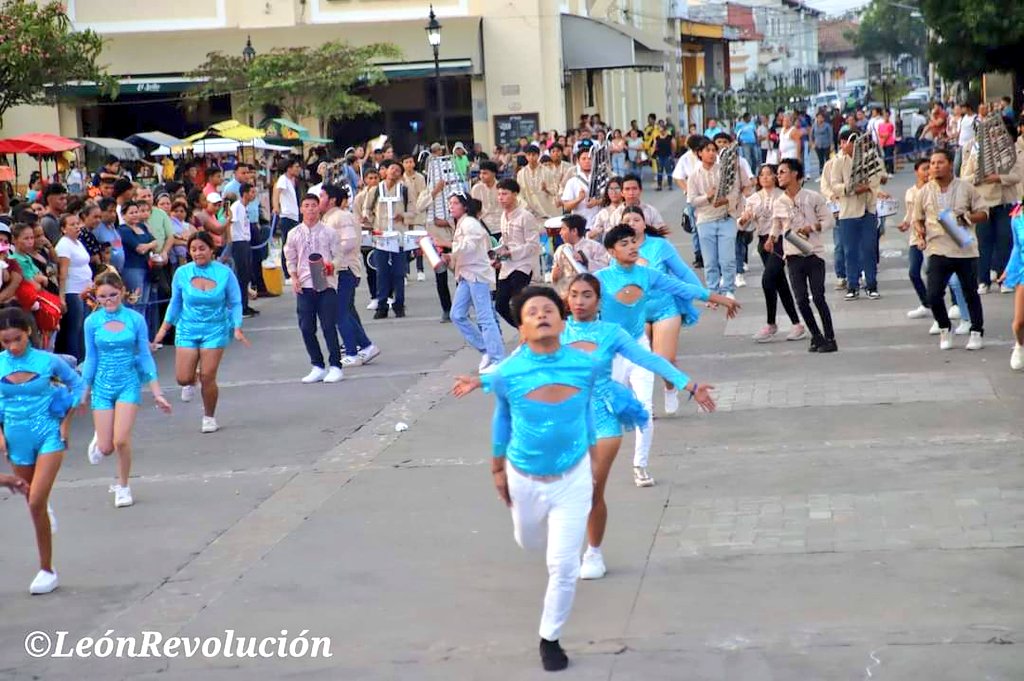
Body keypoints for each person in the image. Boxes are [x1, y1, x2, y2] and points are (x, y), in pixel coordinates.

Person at [454, 286, 597, 672]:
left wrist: (593, 459)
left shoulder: (585, 365)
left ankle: (549, 638)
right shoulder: (508, 373)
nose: (541, 315)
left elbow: (587, 415)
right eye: (532, 312)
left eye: (548, 309)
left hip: (574, 476)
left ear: (562, 321)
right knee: (528, 540)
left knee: (563, 566)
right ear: (521, 329)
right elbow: (502, 417)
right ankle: (530, 526)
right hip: (524, 476)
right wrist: (497, 468)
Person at [595, 224, 738, 486]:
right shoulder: (600, 279)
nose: (632, 247)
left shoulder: (647, 275)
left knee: (645, 412)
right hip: (609, 354)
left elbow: (683, 287)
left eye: (633, 242)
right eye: (624, 244)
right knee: (604, 413)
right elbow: (573, 306)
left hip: (637, 347)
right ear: (611, 251)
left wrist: (719, 298)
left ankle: (640, 465)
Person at [0, 306, 85, 594]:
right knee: (31, 498)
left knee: (35, 500)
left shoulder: (48, 361)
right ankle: (42, 509)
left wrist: (65, 421)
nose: (12, 347)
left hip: (48, 432)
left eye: (17, 339)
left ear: (28, 334)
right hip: (15, 436)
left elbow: (78, 383)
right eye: (5, 341)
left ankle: (47, 569)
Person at [82, 271, 172, 507]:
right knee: (106, 447)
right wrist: (83, 392)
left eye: (113, 294)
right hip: (101, 385)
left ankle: (123, 485)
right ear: (96, 298)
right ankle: (101, 439)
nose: (108, 300)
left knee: (121, 440)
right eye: (102, 296)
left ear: (122, 292)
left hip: (128, 383)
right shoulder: (91, 322)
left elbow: (144, 356)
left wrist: (157, 392)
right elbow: (90, 358)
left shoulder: (135, 319)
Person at [151, 232, 250, 432]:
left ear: (211, 249)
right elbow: (175, 303)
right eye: (193, 249)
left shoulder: (224, 273)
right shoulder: (182, 273)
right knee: (182, 378)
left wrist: (237, 327)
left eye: (202, 248)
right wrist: (162, 331)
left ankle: (209, 417)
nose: (197, 253)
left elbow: (235, 302)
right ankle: (191, 378)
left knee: (208, 376)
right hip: (187, 328)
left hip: (216, 328)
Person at [912, 149, 989, 351]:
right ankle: (945, 328)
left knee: (970, 292)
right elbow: (917, 219)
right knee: (933, 294)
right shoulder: (924, 191)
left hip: (964, 248)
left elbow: (984, 212)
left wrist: (968, 218)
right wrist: (920, 233)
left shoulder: (966, 188)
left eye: (939, 162)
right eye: (932, 163)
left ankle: (976, 331)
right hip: (937, 248)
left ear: (949, 164)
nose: (935, 167)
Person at [767, 158, 838, 353]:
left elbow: (829, 220)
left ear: (795, 174)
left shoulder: (813, 197)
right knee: (800, 300)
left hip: (814, 253)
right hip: (792, 255)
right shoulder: (779, 202)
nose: (778, 176)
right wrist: (772, 238)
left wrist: (814, 227)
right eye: (778, 173)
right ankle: (816, 336)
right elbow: (777, 224)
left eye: (782, 172)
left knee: (818, 296)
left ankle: (830, 338)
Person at [434, 193, 506, 372]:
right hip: (466, 273)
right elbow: (463, 249)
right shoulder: (462, 223)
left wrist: (449, 246)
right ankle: (486, 349)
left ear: (465, 206)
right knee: (457, 314)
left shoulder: (470, 223)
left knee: (485, 317)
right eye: (450, 203)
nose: (451, 206)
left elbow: (469, 246)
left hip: (476, 273)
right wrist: (450, 255)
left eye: (455, 203)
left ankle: (497, 358)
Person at [740, 164, 805, 342]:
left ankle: (771, 323)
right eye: (762, 175)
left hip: (780, 241)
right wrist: (744, 218)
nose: (766, 177)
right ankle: (796, 324)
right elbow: (744, 223)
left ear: (775, 177)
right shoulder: (753, 198)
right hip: (763, 243)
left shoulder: (782, 196)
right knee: (780, 283)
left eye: (770, 174)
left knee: (768, 279)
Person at [285, 194, 346, 383]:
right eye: (306, 205)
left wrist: (332, 266)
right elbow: (290, 258)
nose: (310, 209)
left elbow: (338, 255)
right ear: (301, 209)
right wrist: (293, 277)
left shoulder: (329, 232)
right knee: (306, 327)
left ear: (319, 208)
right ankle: (317, 365)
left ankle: (335, 365)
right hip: (304, 284)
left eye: (313, 205)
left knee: (328, 325)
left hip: (326, 284)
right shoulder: (294, 233)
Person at [320, 184, 380, 368]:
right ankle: (365, 346)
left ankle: (353, 352)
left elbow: (349, 242)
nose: (319, 199)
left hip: (344, 269)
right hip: (339, 270)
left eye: (322, 196)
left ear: (332, 200)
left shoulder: (341, 217)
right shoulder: (330, 218)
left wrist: (329, 255)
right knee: (346, 311)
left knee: (340, 312)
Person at [828, 130, 882, 300]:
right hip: (847, 212)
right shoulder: (838, 162)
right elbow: (834, 185)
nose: (845, 145)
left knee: (869, 249)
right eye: (842, 142)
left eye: (849, 141)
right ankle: (852, 285)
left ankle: (871, 285)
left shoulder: (871, 158)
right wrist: (850, 188)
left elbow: (876, 180)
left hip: (868, 210)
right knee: (849, 251)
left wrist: (866, 188)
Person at [687, 137, 740, 298]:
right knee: (710, 261)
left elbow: (735, 191)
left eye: (713, 150)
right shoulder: (694, 175)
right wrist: (707, 197)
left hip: (726, 218)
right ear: (699, 154)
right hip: (705, 220)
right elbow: (692, 200)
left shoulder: (725, 170)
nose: (711, 153)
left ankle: (729, 289)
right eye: (707, 150)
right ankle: (713, 292)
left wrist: (725, 200)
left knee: (727, 259)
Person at [365, 160, 412, 319]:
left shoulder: (404, 190)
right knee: (382, 273)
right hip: (381, 236)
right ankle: (382, 305)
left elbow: (413, 210)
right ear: (385, 171)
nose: (394, 172)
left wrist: (404, 216)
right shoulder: (376, 190)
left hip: (398, 236)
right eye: (392, 169)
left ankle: (399, 304)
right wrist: (373, 225)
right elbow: (367, 209)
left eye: (398, 170)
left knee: (399, 273)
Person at [494, 178, 541, 327]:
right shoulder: (503, 216)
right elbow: (505, 240)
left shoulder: (525, 216)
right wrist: (499, 256)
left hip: (523, 265)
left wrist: (512, 252)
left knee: (520, 303)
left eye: (505, 194)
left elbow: (533, 245)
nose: (501, 198)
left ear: (515, 195)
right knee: (500, 305)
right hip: (507, 265)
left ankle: (530, 331)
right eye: (499, 194)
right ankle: (524, 329)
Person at [53, 213, 91, 362]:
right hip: (72, 291)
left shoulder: (78, 242)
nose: (77, 227)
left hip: (85, 290)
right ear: (63, 229)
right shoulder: (64, 244)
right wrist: (62, 297)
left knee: (83, 328)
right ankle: (75, 359)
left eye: (77, 223)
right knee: (74, 328)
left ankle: (84, 359)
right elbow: (62, 273)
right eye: (72, 224)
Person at [901, 159, 934, 320]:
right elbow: (911, 213)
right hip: (916, 237)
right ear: (916, 172)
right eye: (924, 169)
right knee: (914, 272)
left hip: (934, 236)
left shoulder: (934, 190)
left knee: (935, 273)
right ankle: (926, 303)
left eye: (930, 168)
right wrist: (905, 223)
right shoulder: (910, 192)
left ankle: (954, 304)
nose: (928, 172)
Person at [117, 200, 158, 319]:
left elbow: (155, 242)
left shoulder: (142, 226)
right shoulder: (123, 230)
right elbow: (139, 248)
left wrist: (148, 245)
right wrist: (149, 245)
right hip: (132, 268)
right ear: (124, 215)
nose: (135, 215)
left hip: (146, 267)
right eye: (131, 213)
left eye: (136, 212)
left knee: (144, 303)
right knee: (135, 301)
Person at [550, 214, 608, 296]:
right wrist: (554, 277)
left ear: (574, 231)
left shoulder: (595, 247)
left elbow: (604, 269)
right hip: (567, 295)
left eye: (563, 229)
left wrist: (586, 262)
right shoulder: (560, 250)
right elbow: (555, 276)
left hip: (589, 293)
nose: (560, 233)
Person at [229, 182, 259, 318]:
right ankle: (240, 307)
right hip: (238, 242)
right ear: (245, 193)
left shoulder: (244, 208)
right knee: (241, 275)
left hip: (245, 242)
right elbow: (231, 225)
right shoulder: (236, 207)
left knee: (246, 275)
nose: (254, 195)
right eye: (252, 192)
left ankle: (245, 305)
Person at [1000, 204, 1024, 369]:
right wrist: (1008, 269)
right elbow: (1017, 246)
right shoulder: (1017, 216)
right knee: (1019, 322)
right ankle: (1020, 345)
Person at [559, 149, 602, 233]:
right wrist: (579, 199)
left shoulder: (601, 178)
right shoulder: (572, 181)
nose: (587, 161)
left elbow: (611, 198)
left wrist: (597, 202)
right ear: (578, 161)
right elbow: (566, 206)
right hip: (580, 226)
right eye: (584, 158)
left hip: (599, 224)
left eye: (590, 158)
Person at [273, 158, 301, 281]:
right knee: (288, 245)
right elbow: (276, 193)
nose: (298, 169)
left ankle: (295, 270)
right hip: (287, 216)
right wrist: (275, 207)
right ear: (289, 168)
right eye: (295, 166)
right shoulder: (283, 180)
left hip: (294, 215)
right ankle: (287, 273)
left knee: (296, 245)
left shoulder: (292, 180)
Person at [588, 176, 624, 242]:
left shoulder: (628, 209)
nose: (614, 192)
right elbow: (595, 236)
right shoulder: (602, 213)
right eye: (611, 189)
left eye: (617, 188)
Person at [878, 110, 897, 175]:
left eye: (887, 116)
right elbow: (880, 133)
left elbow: (888, 134)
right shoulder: (880, 125)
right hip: (882, 143)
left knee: (889, 157)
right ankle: (885, 170)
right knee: (884, 158)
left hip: (889, 143)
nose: (886, 117)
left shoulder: (890, 125)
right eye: (884, 115)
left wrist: (884, 137)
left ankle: (890, 171)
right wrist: (883, 138)